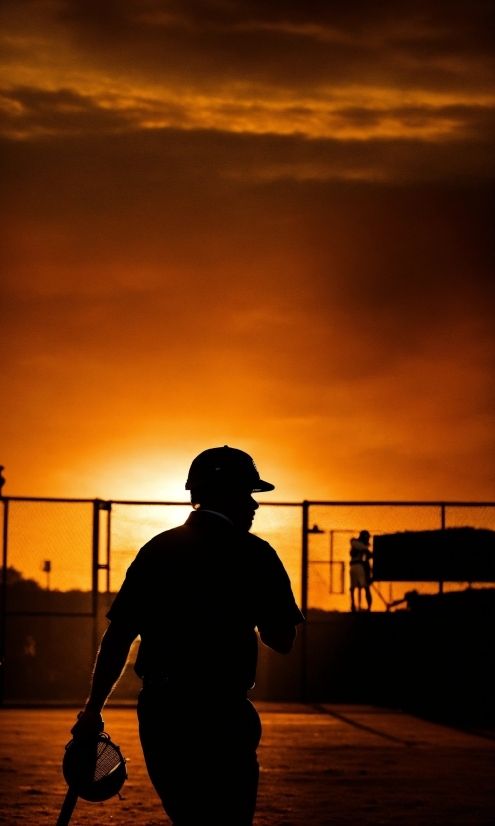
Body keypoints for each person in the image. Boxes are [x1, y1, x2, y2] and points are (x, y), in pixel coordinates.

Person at [71, 445, 304, 825]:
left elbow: (118, 637)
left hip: (163, 712)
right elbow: (282, 640)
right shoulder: (256, 554)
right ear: (225, 493)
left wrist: (93, 710)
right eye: (247, 493)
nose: (254, 505)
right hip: (224, 710)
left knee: (189, 817)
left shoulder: (157, 549)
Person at [350, 530, 373, 612]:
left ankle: (353, 605)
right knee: (365, 586)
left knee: (353, 587)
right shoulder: (359, 544)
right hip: (359, 566)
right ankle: (367, 607)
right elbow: (369, 554)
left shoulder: (356, 544)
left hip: (353, 566)